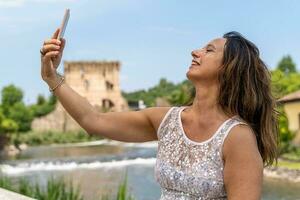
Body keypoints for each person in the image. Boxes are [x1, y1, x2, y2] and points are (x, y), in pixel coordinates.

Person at [40, 29, 278, 199]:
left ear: (230, 67)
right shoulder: (166, 120)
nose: (195, 52)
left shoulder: (238, 137)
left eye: (209, 50)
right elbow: (93, 121)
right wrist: (52, 76)